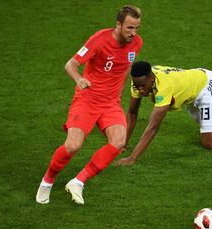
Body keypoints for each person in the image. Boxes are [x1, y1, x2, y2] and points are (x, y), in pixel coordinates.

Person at [36, 5, 143, 204]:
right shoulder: (99, 40)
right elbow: (71, 64)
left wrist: (117, 95)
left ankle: (78, 182)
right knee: (73, 146)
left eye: (136, 28)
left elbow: (126, 67)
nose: (133, 33)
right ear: (118, 24)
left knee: (119, 142)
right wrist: (78, 79)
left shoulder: (136, 43)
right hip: (88, 99)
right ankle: (47, 182)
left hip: (110, 103)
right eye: (129, 28)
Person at [116, 61, 212, 166]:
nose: (140, 89)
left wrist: (133, 157)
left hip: (206, 86)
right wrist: (124, 143)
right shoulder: (137, 84)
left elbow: (153, 127)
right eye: (137, 86)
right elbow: (132, 113)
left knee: (210, 142)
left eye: (143, 85)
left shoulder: (163, 87)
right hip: (190, 93)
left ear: (151, 77)